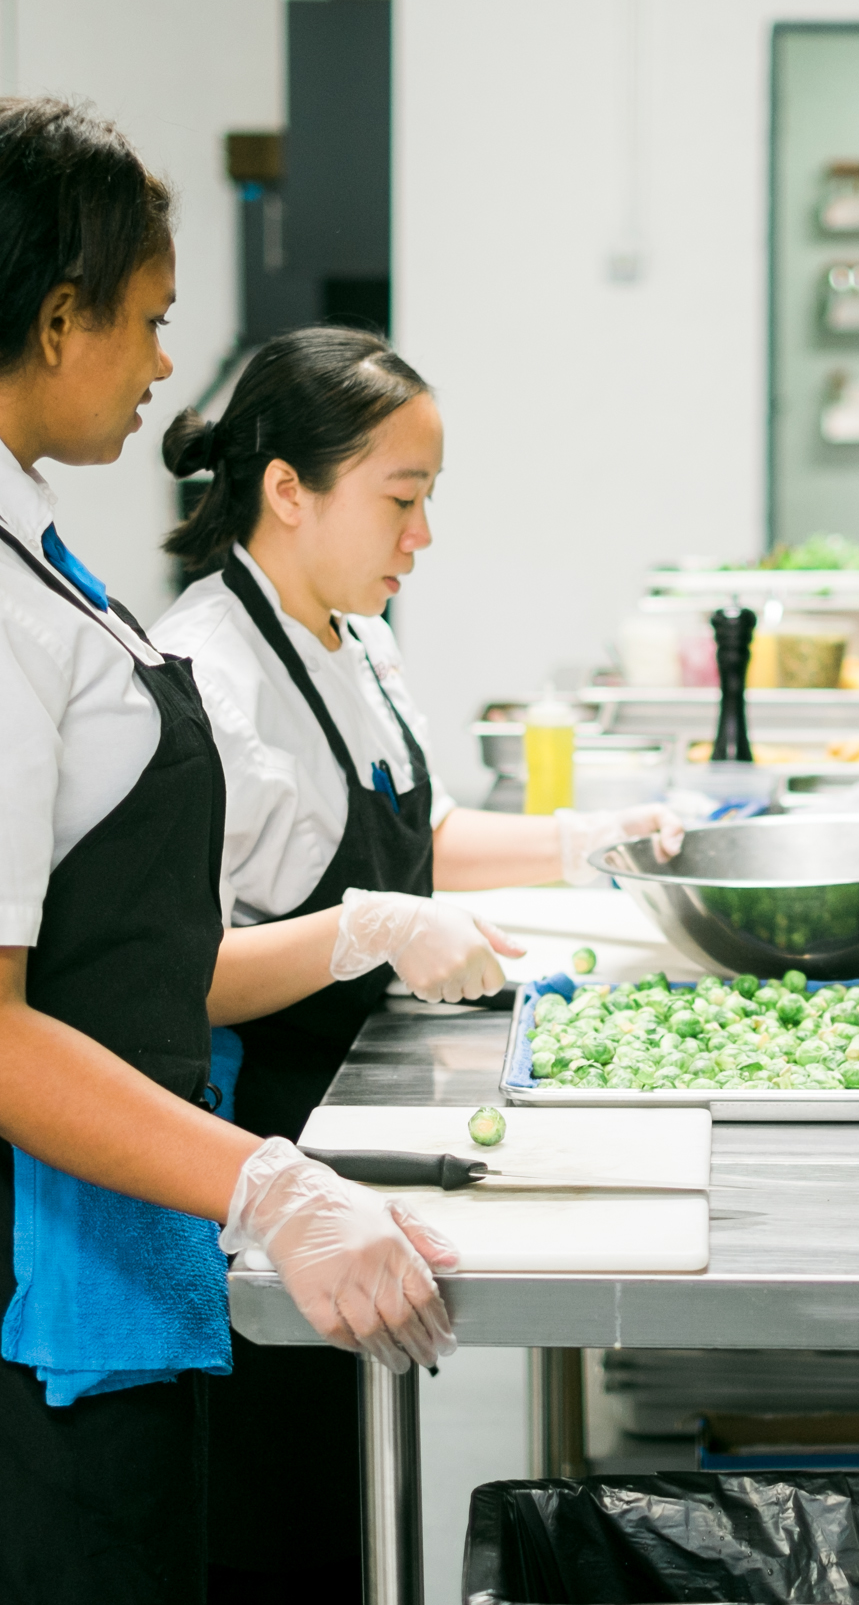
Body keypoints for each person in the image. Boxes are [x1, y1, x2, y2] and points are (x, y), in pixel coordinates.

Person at [0, 99, 497, 1602]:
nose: (168, 367)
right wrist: (272, 1186)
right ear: (55, 315)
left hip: (33, 1152)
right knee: (12, 1557)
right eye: (150, 320)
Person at [145, 327, 683, 1599]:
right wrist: (368, 931)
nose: (420, 537)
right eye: (401, 497)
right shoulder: (206, 676)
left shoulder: (352, 633)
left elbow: (411, 831)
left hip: (353, 1093)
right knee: (280, 1502)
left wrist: (586, 841)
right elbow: (183, 971)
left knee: (350, 1457)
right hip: (261, 1134)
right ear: (288, 489)